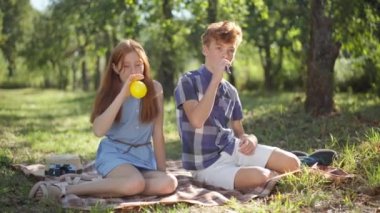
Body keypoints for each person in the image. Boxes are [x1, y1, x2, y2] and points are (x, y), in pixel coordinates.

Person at [30, 39, 178, 201]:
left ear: (145, 65)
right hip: (115, 156)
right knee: (135, 183)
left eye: (138, 64)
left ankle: (117, 186)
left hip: (143, 158)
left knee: (169, 183)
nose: (133, 71)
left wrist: (161, 172)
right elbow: (98, 131)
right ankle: (65, 189)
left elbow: (157, 133)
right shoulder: (110, 92)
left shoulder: (155, 89)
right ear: (115, 68)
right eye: (126, 66)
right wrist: (123, 95)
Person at [174, 21, 300, 191]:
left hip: (232, 149)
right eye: (219, 48)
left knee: (293, 163)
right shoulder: (188, 81)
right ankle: (265, 174)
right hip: (206, 165)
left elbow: (239, 132)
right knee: (262, 176)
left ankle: (276, 171)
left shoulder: (230, 91)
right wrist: (215, 80)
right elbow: (196, 121)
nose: (225, 55)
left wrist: (251, 139)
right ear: (205, 49)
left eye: (230, 50)